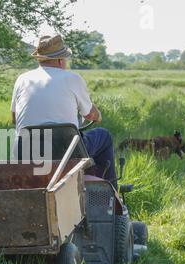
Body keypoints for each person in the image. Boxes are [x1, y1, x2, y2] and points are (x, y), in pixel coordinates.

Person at [11, 34, 117, 189]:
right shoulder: (72, 79)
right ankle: (109, 196)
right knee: (104, 136)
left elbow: (14, 118)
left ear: (40, 59)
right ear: (61, 60)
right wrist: (98, 115)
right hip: (66, 152)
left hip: (26, 150)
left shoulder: (22, 79)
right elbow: (90, 114)